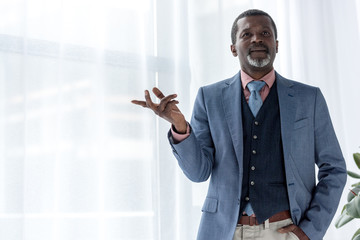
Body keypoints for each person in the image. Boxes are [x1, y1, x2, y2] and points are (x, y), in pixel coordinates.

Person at [131, 9, 347, 240]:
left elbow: (333, 169)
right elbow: (198, 173)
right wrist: (181, 128)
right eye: (246, 34)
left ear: (276, 44)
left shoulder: (308, 98)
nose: (256, 38)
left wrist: (309, 231)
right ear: (233, 48)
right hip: (224, 231)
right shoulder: (209, 97)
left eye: (265, 33)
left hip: (285, 230)